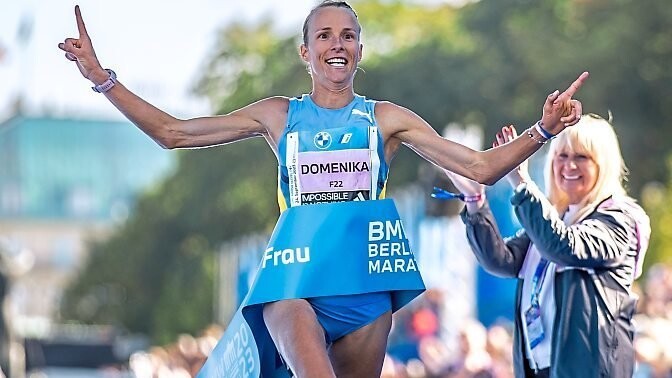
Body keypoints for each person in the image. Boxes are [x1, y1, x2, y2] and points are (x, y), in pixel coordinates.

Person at [59, 1, 588, 376]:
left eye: (348, 36)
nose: (337, 44)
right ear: (305, 52)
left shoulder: (385, 120)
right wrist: (101, 78)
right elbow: (173, 134)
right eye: (325, 36)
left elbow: (479, 167)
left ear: (359, 50)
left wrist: (543, 129)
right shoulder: (277, 116)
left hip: (364, 282)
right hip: (292, 278)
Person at [443, 114, 650, 377]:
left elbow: (563, 247)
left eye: (581, 157)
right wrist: (474, 200)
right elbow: (501, 260)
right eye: (562, 156)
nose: (569, 166)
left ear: (603, 164)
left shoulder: (620, 218)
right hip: (540, 366)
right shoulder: (556, 217)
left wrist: (521, 183)